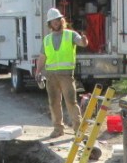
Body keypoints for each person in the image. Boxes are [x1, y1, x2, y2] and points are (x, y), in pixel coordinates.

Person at [34, 8, 89, 138]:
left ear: (61, 21)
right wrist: (38, 71)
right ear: (50, 23)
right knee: (54, 103)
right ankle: (58, 129)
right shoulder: (47, 39)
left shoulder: (70, 35)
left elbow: (82, 42)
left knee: (71, 102)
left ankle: (78, 130)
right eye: (53, 21)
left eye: (57, 20)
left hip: (66, 76)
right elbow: (42, 57)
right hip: (50, 76)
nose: (55, 23)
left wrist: (85, 41)